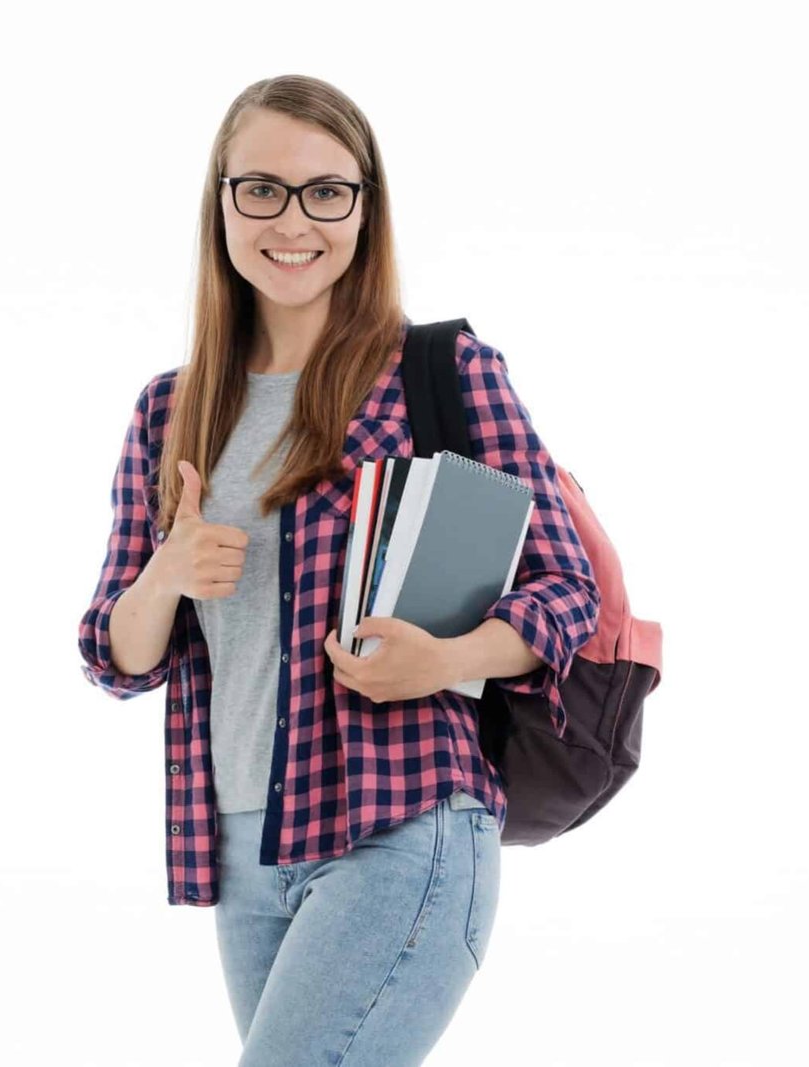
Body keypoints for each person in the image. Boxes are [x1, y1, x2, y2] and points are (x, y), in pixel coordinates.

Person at [76, 74, 600, 1066]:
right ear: (221, 201)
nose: (293, 220)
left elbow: (568, 589)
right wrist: (166, 573)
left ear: (365, 207)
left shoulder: (438, 372)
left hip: (399, 816)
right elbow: (116, 655)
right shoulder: (169, 408)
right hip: (238, 840)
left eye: (327, 191)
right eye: (262, 188)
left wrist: (442, 658)